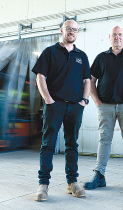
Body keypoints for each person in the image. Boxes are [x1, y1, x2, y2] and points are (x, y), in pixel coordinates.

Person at [83, 26, 123, 195]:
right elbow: (90, 79)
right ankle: (99, 176)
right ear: (109, 37)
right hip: (105, 106)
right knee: (104, 140)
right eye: (114, 35)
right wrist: (96, 100)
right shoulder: (101, 57)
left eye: (120, 35)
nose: (117, 37)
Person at [32, 20, 91, 201]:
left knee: (72, 144)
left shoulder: (82, 55)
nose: (71, 32)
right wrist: (48, 99)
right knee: (48, 143)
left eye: (75, 30)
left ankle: (72, 182)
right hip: (55, 105)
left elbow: (86, 80)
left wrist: (84, 100)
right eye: (68, 29)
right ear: (62, 30)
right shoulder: (50, 52)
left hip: (75, 106)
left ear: (77, 33)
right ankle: (43, 185)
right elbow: (40, 76)